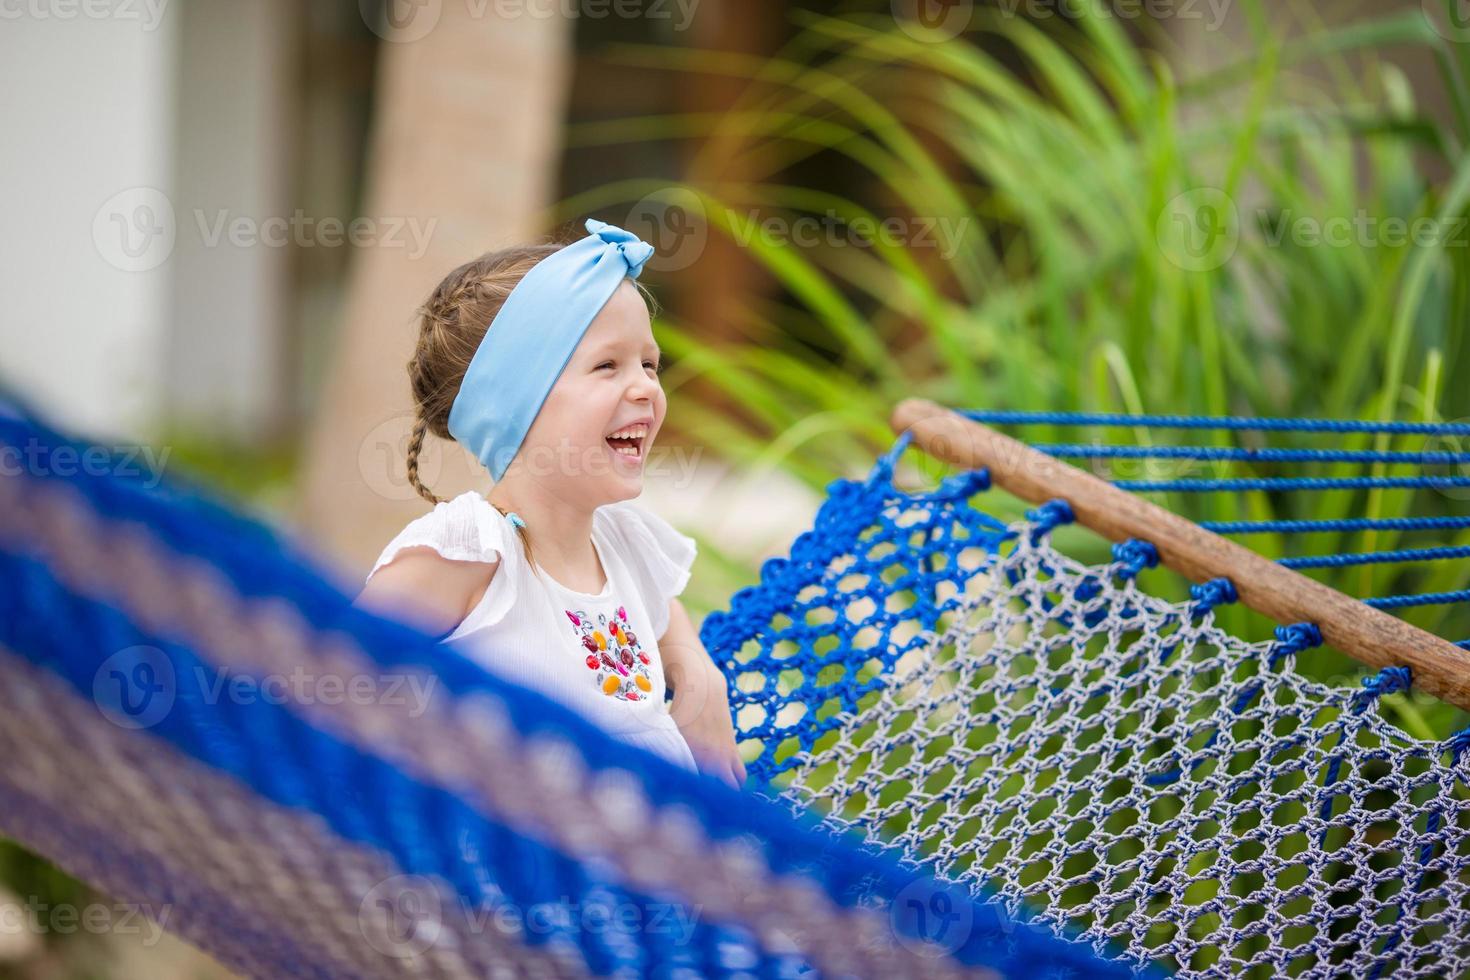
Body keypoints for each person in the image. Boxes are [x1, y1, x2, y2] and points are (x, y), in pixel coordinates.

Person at [355, 218, 746, 788]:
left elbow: (664, 610)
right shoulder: (472, 550)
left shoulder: (622, 544)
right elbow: (335, 669)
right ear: (515, 406)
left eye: (649, 364)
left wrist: (696, 667)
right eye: (607, 365)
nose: (644, 387)